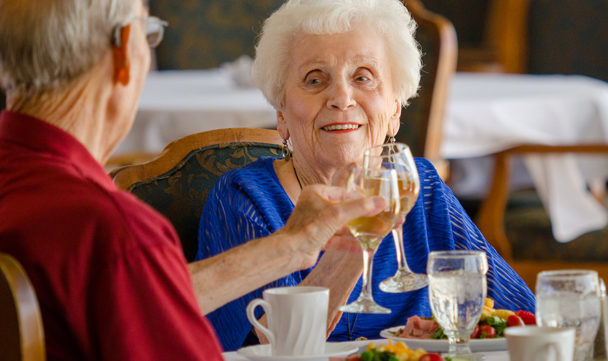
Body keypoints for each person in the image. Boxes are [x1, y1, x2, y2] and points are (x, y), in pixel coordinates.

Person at [0, 0, 386, 360]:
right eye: (149, 33)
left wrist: (293, 246)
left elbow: (134, 290)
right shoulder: (115, 233)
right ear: (124, 52)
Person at [196, 0, 537, 351]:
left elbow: (525, 318)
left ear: (394, 111)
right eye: (314, 80)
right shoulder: (246, 200)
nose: (341, 98)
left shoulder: (423, 190)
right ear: (281, 113)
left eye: (363, 77)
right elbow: (253, 349)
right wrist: (349, 247)